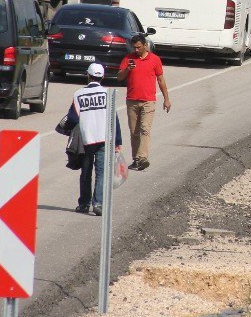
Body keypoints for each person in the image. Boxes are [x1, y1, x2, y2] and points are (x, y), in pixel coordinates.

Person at [62, 63, 122, 216]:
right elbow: (114, 119)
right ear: (102, 77)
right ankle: (98, 204)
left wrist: (65, 129)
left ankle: (83, 204)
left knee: (86, 172)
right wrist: (117, 141)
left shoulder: (78, 94)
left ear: (87, 75)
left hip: (87, 140)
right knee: (101, 173)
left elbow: (73, 117)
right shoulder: (107, 94)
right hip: (104, 139)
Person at [117, 35, 171, 171]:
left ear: (145, 45)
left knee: (145, 129)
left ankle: (143, 158)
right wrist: (127, 69)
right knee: (134, 132)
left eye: (139, 47)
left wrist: (166, 99)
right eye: (134, 47)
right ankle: (136, 159)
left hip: (148, 101)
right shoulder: (128, 59)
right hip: (132, 101)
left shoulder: (154, 59)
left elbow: (161, 80)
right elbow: (119, 77)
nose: (136, 50)